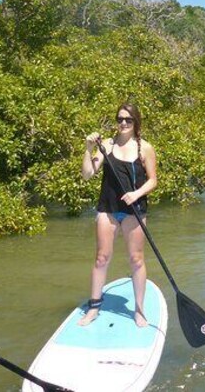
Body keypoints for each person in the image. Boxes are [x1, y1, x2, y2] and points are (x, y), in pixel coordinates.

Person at [80, 102, 158, 328]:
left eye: (128, 119)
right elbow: (87, 174)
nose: (123, 123)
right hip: (108, 209)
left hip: (134, 210)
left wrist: (136, 194)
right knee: (101, 258)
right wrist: (87, 149)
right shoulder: (106, 145)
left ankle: (139, 310)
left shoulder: (145, 148)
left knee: (136, 259)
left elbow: (153, 180)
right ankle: (94, 308)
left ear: (136, 122)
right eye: (120, 119)